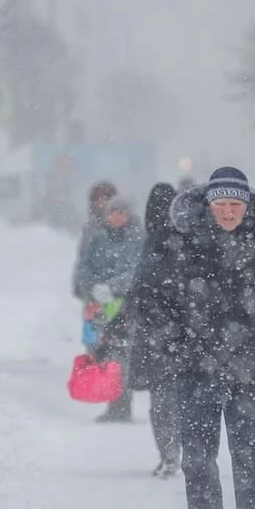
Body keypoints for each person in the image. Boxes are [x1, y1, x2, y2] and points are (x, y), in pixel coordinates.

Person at [132, 166, 255, 509]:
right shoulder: (177, 240)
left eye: (236, 204)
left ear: (248, 204)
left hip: (250, 367)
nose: (228, 212)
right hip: (194, 369)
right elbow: (149, 297)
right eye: (221, 204)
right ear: (209, 204)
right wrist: (176, 348)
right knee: (198, 454)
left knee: (251, 449)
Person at [99, 182, 182, 475]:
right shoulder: (185, 245)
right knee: (171, 403)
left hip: (156, 339)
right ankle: (175, 454)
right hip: (179, 340)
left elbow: (137, 292)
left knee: (161, 405)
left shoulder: (154, 246)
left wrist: (119, 324)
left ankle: (171, 454)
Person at [75, 195, 145, 422]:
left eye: (121, 212)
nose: (116, 217)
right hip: (96, 305)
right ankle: (111, 401)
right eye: (113, 212)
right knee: (97, 350)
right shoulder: (98, 238)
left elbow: (136, 270)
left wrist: (112, 287)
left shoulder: (137, 239)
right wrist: (91, 291)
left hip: (123, 307)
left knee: (120, 356)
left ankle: (121, 405)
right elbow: (85, 267)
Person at [72, 180, 117, 300]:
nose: (102, 204)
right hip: (94, 288)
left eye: (105, 199)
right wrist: (79, 282)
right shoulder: (90, 228)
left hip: (117, 289)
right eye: (98, 200)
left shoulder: (123, 224)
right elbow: (83, 257)